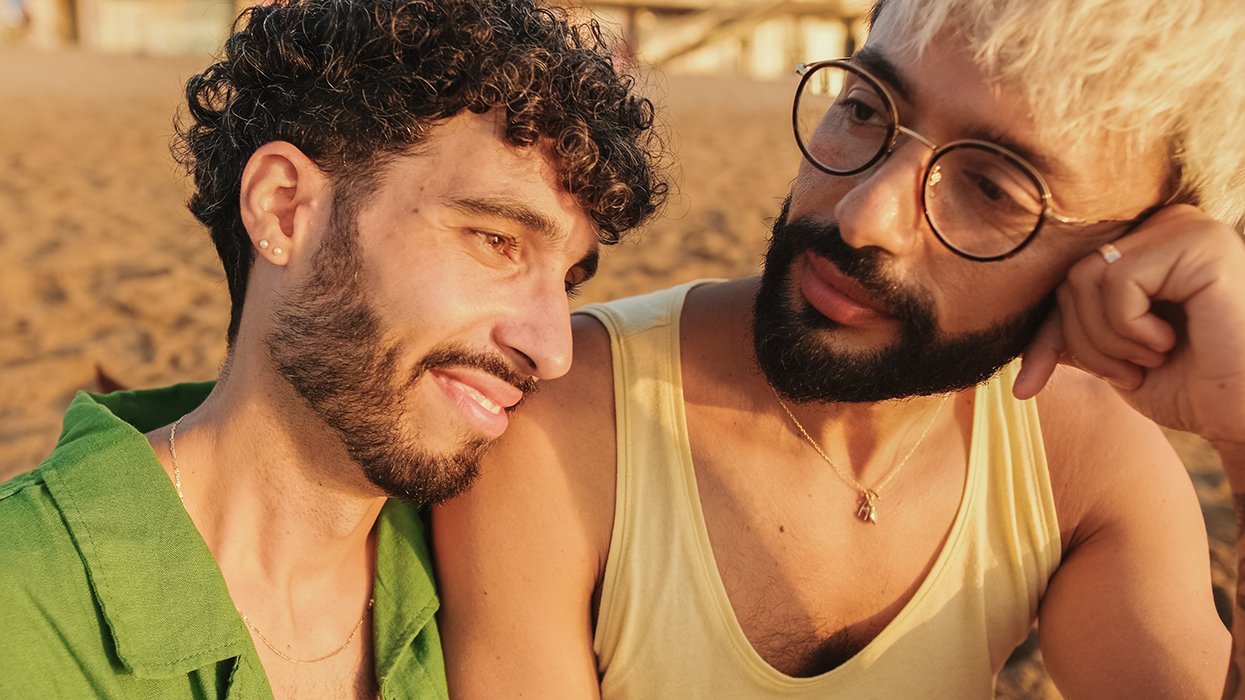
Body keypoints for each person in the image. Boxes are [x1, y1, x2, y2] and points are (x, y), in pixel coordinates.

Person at [432, 0, 1245, 695]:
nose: (863, 214)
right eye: (864, 108)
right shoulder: (563, 415)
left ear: (1137, 251)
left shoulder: (1079, 460)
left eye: (992, 189)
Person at [0, 0, 665, 697]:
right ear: (284, 209)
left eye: (567, 283)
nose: (553, 349)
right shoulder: (29, 603)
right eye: (496, 241)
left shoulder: (496, 585)